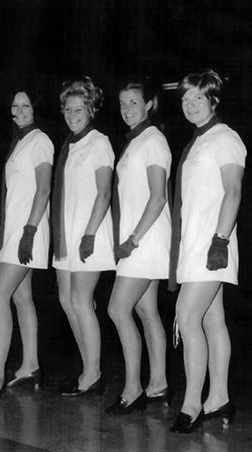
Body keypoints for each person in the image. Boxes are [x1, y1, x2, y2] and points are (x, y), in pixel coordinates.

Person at [169, 70, 245, 433]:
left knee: (187, 318)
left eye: (198, 97)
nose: (190, 105)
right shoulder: (199, 141)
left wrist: (220, 242)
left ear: (213, 99)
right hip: (195, 246)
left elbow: (233, 192)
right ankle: (220, 398)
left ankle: (192, 404)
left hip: (213, 247)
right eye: (185, 99)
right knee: (212, 320)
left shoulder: (226, 138)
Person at [105, 80, 171, 415]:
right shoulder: (137, 141)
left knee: (117, 310)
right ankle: (158, 384)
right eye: (122, 103)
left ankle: (133, 389)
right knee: (146, 312)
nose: (127, 108)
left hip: (145, 241)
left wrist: (132, 239)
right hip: (139, 241)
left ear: (149, 104)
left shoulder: (153, 141)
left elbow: (158, 197)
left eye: (134, 102)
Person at [0, 90, 52, 401]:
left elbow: (44, 189)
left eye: (26, 105)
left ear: (35, 108)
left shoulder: (41, 141)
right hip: (14, 232)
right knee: (22, 297)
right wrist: (4, 230)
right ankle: (30, 365)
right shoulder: (20, 141)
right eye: (15, 105)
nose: (19, 110)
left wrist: (29, 232)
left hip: (28, 232)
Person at [52, 77, 114, 397]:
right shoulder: (70, 144)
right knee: (67, 301)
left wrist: (89, 235)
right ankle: (89, 368)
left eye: (79, 109)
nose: (72, 114)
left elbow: (104, 193)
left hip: (90, 234)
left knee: (80, 300)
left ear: (91, 110)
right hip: (67, 234)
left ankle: (92, 374)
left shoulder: (99, 142)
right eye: (68, 109)